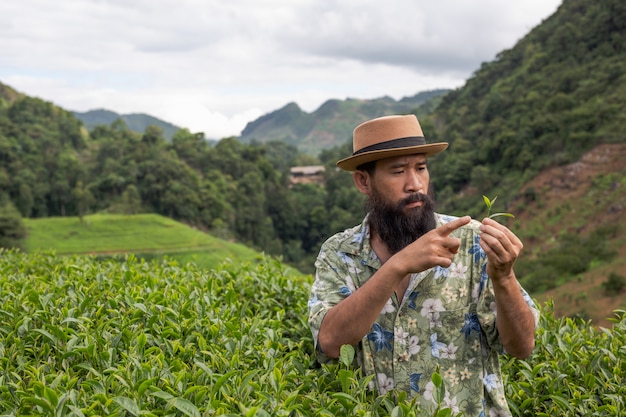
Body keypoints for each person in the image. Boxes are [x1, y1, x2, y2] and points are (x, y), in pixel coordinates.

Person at [308, 114, 539, 416]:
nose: (414, 184)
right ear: (364, 181)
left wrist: (505, 276)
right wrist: (396, 267)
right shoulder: (340, 253)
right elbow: (329, 342)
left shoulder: (470, 243)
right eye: (398, 171)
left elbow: (521, 347)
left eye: (420, 168)